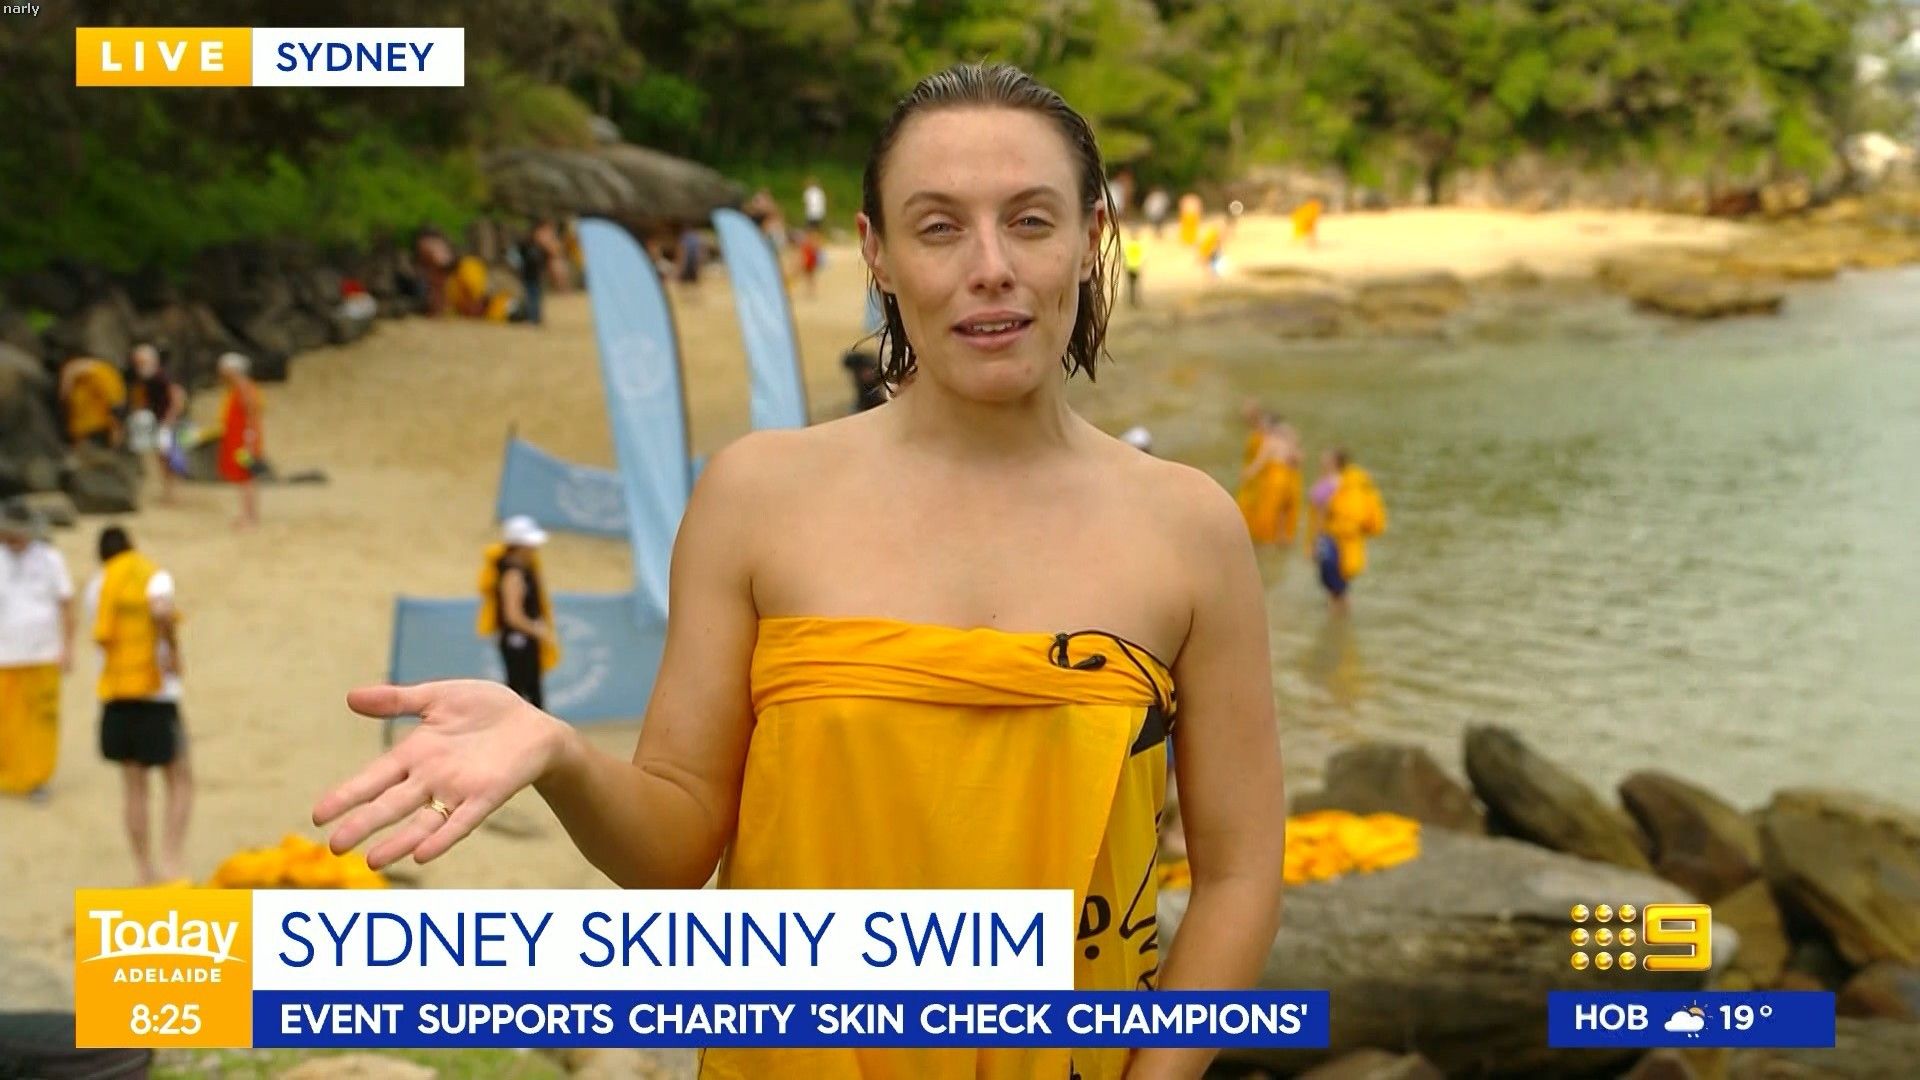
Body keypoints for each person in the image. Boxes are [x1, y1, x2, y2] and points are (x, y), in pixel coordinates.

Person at [316, 63, 1286, 1080]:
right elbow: (674, 847)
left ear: (1090, 239)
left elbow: (1238, 872)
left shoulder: (1188, 529)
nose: (991, 266)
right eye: (939, 227)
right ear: (878, 252)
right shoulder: (757, 496)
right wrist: (560, 753)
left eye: (1030, 222)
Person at [86, 526, 192, 883]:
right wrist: (173, 649)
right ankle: (171, 858)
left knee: (134, 786)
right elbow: (162, 611)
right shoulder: (151, 576)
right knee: (179, 778)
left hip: (115, 694)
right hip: (155, 694)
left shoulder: (98, 586)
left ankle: (143, 868)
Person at [0, 501, 73, 801]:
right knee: (6, 720)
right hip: (4, 655)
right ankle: (7, 775)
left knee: (41, 720)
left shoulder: (51, 559)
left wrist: (68, 647)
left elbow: (66, 603)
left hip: (43, 652)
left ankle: (37, 778)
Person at [477, 516, 558, 709]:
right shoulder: (513, 574)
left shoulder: (521, 571)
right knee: (520, 696)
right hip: (518, 643)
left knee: (531, 694)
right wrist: (537, 630)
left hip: (524, 641)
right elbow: (513, 615)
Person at [1309, 448, 1387, 615]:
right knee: (1339, 583)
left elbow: (1322, 515)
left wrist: (1315, 541)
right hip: (1346, 539)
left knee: (1333, 582)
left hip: (1332, 537)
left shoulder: (1334, 484)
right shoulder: (1350, 481)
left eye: (1326, 457)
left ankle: (1336, 616)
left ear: (1334, 462)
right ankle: (1340, 618)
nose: (1322, 459)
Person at [127, 344, 187, 504]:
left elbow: (177, 396)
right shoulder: (147, 378)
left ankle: (172, 492)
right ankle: (168, 491)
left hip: (167, 422)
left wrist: (170, 418)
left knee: (169, 456)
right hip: (157, 421)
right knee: (161, 457)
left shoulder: (161, 377)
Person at [214, 352, 265, 529]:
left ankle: (250, 517)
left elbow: (251, 411)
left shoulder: (243, 387)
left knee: (246, 477)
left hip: (244, 439)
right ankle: (247, 515)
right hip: (238, 438)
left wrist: (249, 438)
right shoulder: (236, 387)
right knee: (243, 478)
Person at [1237, 413, 1302, 546]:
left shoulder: (1270, 442)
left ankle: (1265, 541)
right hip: (1289, 480)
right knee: (1282, 514)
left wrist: (1247, 473)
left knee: (1268, 512)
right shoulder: (1285, 442)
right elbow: (1298, 459)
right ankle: (1282, 540)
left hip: (1274, 481)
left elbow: (1259, 462)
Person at [58, 356, 126, 449]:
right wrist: (65, 389)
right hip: (79, 412)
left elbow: (71, 369)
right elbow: (72, 369)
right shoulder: (108, 380)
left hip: (85, 419)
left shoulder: (104, 374)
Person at [513, 221, 553, 326]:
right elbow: (515, 256)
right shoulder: (526, 244)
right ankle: (532, 318)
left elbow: (547, 259)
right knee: (530, 297)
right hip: (527, 275)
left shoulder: (542, 247)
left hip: (537, 276)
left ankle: (536, 318)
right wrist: (518, 267)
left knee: (537, 297)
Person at [1122, 232, 1144, 307]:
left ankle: (1131, 300)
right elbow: (1141, 257)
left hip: (1129, 268)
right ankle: (1136, 300)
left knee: (1130, 285)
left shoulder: (1128, 246)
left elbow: (1124, 256)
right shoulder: (1138, 246)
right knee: (1136, 285)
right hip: (1136, 268)